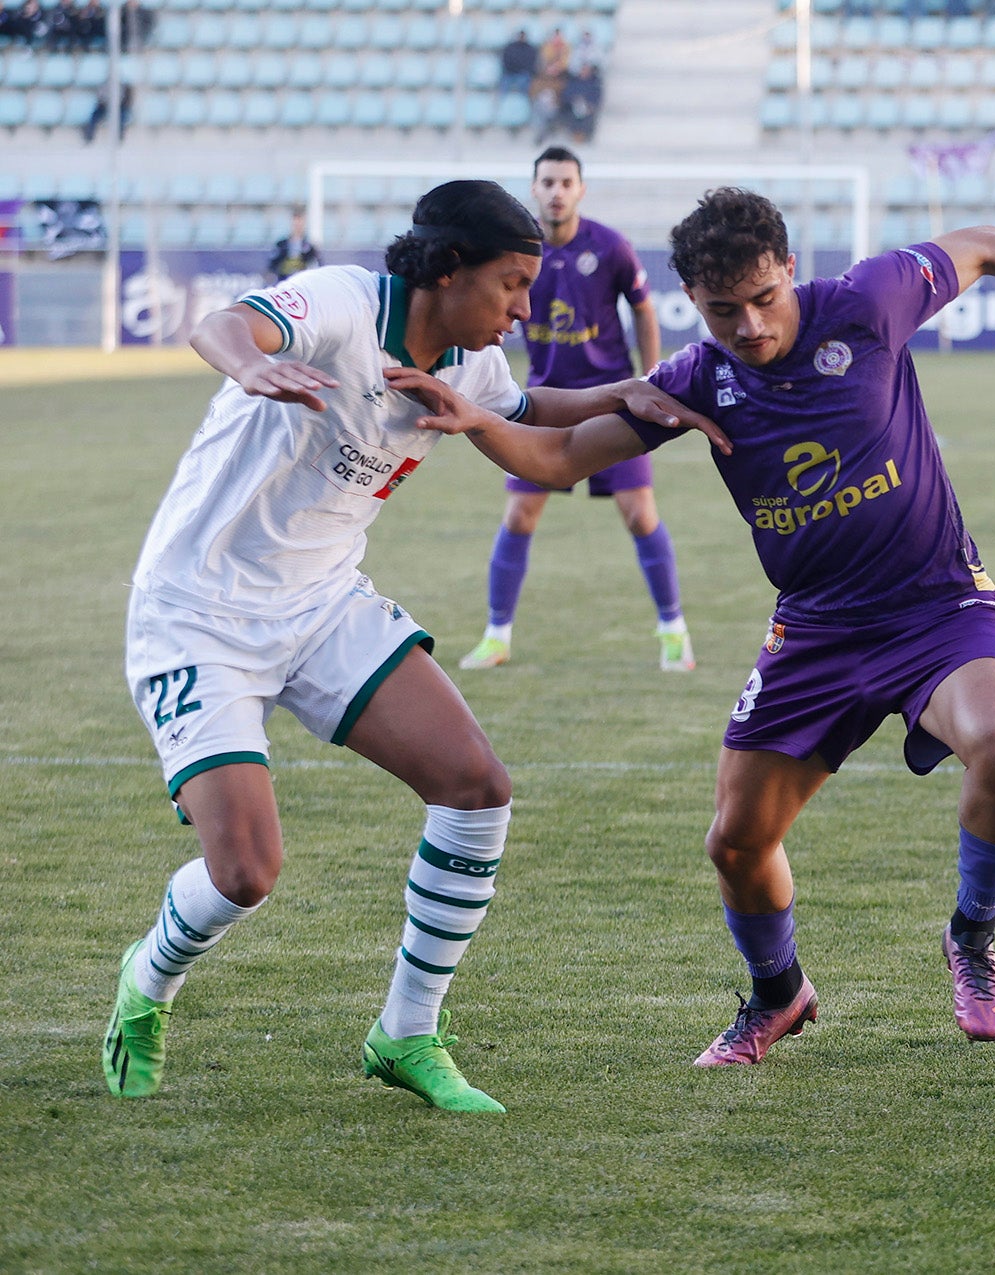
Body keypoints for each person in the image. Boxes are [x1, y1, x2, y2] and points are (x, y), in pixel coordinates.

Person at [414, 188, 995, 1064]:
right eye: (723, 311)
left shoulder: (867, 304)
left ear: (791, 269)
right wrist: (477, 421)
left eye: (764, 298)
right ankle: (778, 993)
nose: (749, 325)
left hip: (937, 604)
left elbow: (986, 243)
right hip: (816, 631)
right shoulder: (699, 378)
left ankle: (972, 938)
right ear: (693, 302)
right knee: (737, 840)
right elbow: (561, 456)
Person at [100, 179, 717, 1111]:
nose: (523, 306)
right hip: (198, 613)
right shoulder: (344, 304)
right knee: (245, 871)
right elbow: (227, 325)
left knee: (477, 788)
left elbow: (537, 410)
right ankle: (147, 983)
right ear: (446, 268)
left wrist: (636, 394)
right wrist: (251, 364)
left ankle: (406, 1031)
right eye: (511, 285)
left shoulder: (470, 363)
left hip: (321, 608)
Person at [460, 148, 694, 673]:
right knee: (520, 515)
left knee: (639, 514)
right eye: (548, 182)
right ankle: (496, 636)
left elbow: (642, 309)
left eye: (567, 182)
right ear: (534, 189)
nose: (557, 191)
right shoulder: (518, 254)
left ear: (581, 190)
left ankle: (674, 630)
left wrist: (652, 379)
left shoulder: (609, 247)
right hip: (544, 400)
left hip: (611, 399)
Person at [268, 207, 322, 283]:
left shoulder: (310, 247)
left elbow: (316, 265)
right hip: (283, 282)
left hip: (302, 283)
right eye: (295, 223)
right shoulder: (281, 245)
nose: (297, 226)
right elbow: (272, 264)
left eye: (300, 223)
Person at [498, 29, 537, 99]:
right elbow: (505, 60)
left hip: (522, 73)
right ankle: (500, 103)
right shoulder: (510, 47)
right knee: (503, 87)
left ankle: (526, 103)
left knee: (525, 86)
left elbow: (531, 63)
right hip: (510, 72)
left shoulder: (530, 49)